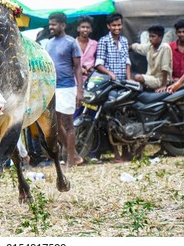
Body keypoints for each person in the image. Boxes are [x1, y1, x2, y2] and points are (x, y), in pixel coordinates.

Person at [45, 12, 83, 168]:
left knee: (68, 124)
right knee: (55, 124)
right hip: (52, 88)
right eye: (50, 24)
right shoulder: (48, 43)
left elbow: (78, 68)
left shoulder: (71, 42)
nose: (51, 27)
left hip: (67, 87)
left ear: (63, 25)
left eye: (54, 24)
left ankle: (70, 162)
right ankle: (74, 155)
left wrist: (79, 91)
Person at [95, 13, 132, 163]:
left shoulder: (124, 41)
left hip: (124, 85)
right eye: (114, 25)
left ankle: (126, 151)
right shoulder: (104, 41)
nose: (117, 28)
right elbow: (98, 64)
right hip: (110, 85)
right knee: (111, 118)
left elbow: (127, 62)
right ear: (108, 26)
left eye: (119, 25)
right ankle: (116, 153)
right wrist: (110, 73)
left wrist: (129, 80)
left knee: (125, 117)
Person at [130, 25, 172, 92]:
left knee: (137, 77)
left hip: (160, 80)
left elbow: (165, 68)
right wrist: (129, 48)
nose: (150, 39)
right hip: (150, 78)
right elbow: (138, 47)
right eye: (150, 36)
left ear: (160, 38)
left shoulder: (165, 47)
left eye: (153, 36)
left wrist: (163, 86)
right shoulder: (150, 46)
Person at [74, 15, 98, 118]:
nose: (85, 29)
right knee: (76, 109)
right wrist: (80, 69)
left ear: (91, 29)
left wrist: (91, 67)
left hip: (91, 83)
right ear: (78, 29)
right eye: (83, 27)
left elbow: (98, 61)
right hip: (74, 82)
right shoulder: (72, 43)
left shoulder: (95, 44)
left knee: (91, 110)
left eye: (87, 27)